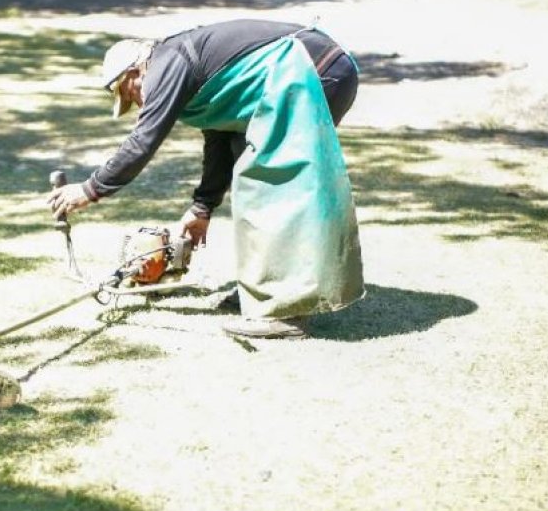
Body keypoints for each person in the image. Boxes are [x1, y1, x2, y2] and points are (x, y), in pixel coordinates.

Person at [47, 18, 364, 339]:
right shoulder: (188, 72)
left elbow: (143, 141)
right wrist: (202, 207)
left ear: (135, 71)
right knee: (257, 173)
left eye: (130, 93)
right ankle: (270, 293)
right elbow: (220, 140)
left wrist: (90, 189)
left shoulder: (166, 64)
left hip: (310, 69)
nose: (139, 104)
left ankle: (283, 312)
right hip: (315, 69)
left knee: (268, 186)